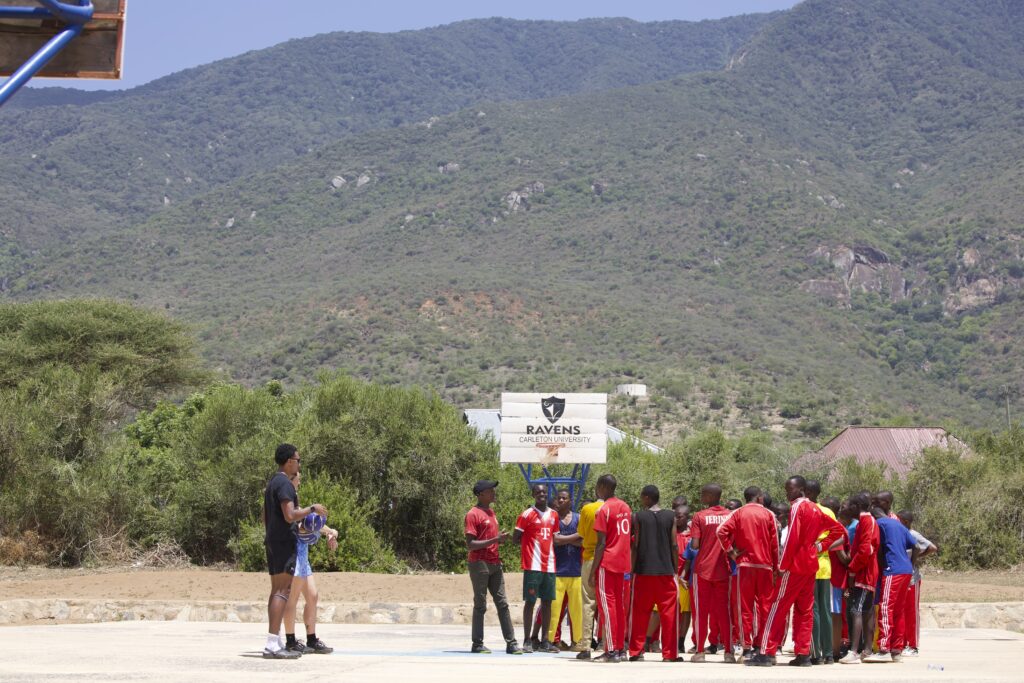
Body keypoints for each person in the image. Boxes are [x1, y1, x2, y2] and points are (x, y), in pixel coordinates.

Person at [746, 475, 845, 668]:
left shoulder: (798, 507)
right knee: (804, 610)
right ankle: (803, 654)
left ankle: (766, 652)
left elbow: (792, 538)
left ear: (800, 489)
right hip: (810, 566)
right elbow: (838, 530)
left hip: (795, 566)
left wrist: (782, 566)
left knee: (777, 607)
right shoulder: (815, 508)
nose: (786, 492)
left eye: (789, 489)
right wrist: (818, 547)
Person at [261, 443, 326, 659]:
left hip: (273, 541)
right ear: (289, 461)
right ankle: (272, 643)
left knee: (276, 591)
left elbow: (266, 517)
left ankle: (274, 640)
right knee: (282, 591)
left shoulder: (272, 483)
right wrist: (312, 509)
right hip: (283, 543)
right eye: (298, 460)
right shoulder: (285, 484)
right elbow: (290, 515)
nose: (298, 464)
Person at [716, 485, 779, 661]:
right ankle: (764, 646)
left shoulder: (738, 513)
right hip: (765, 566)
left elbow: (721, 531)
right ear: (759, 498)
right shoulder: (769, 515)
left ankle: (746, 649)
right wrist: (775, 567)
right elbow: (775, 544)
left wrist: (731, 552)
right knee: (765, 607)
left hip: (744, 565)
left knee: (745, 608)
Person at [282, 472, 338, 655]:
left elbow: (311, 523)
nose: (299, 480)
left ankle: (311, 639)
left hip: (303, 556)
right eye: (297, 478)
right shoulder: (287, 503)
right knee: (292, 598)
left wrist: (331, 532)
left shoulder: (295, 503)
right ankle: (290, 640)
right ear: (291, 481)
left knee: (312, 596)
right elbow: (300, 523)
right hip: (294, 556)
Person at [465, 479, 522, 654]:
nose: (493, 493)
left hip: (494, 562)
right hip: (479, 563)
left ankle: (511, 643)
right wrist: (495, 539)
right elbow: (470, 544)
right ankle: (477, 644)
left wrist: (499, 540)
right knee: (480, 604)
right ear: (481, 494)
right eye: (490, 490)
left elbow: (490, 539)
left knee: (502, 603)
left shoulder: (491, 512)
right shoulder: (472, 514)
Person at [628, 485, 681, 662]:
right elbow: (674, 545)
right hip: (665, 572)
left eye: (642, 497)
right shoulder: (671, 516)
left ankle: (636, 652)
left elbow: (636, 545)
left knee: (639, 613)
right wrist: (675, 569)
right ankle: (670, 654)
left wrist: (632, 568)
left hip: (643, 571)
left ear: (647, 498)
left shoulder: (638, 516)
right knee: (669, 615)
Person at [862, 506, 919, 663]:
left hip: (892, 570)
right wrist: (910, 565)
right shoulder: (898, 524)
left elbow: (878, 549)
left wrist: (881, 567)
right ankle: (896, 649)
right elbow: (917, 546)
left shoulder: (880, 524)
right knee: (898, 611)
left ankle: (883, 649)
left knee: (886, 608)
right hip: (906, 571)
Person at [588, 474, 632, 663]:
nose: (597, 489)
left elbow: (601, 544)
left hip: (608, 562)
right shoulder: (625, 506)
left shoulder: (604, 510)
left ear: (603, 486)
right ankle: (621, 649)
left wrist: (592, 572)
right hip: (622, 562)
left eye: (598, 486)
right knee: (619, 608)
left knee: (607, 607)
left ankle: (611, 650)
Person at [689, 483, 733, 662]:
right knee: (724, 611)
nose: (701, 497)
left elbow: (695, 545)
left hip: (703, 570)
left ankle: (699, 651)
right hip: (724, 569)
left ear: (709, 495)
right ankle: (729, 652)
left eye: (703, 494)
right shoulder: (729, 515)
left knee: (701, 611)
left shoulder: (700, 516)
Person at [514, 483, 561, 654]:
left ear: (547, 493)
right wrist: (530, 548)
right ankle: (527, 640)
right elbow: (515, 537)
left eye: (544, 491)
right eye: (538, 492)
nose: (541, 494)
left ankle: (545, 641)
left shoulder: (554, 515)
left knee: (547, 603)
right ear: (533, 494)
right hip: (532, 565)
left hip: (549, 565)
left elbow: (555, 538)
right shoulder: (527, 514)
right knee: (530, 602)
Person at [840, 493, 879, 665]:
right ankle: (867, 650)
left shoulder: (867, 521)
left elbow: (865, 550)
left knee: (856, 609)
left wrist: (852, 569)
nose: (846, 509)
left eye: (849, 505)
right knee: (867, 611)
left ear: (856, 507)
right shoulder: (866, 521)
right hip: (865, 571)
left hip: (864, 573)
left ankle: (854, 651)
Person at [806, 479, 840, 664]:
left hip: (809, 566)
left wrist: (814, 548)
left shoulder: (806, 511)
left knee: (813, 610)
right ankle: (828, 654)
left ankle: (815, 654)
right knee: (825, 610)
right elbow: (839, 537)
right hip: (825, 566)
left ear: (809, 494)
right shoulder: (828, 512)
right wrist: (823, 547)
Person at [897, 510, 938, 656]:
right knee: (901, 611)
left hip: (912, 579)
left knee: (912, 612)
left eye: (899, 520)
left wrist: (916, 557)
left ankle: (913, 646)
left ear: (906, 522)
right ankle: (902, 643)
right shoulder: (900, 533)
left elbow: (932, 547)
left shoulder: (913, 534)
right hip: (902, 577)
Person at [549, 489, 584, 650]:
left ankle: (577, 641)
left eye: (565, 498)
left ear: (570, 501)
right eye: (559, 498)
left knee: (577, 611)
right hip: (557, 571)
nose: (562, 500)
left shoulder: (578, 518)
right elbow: (554, 540)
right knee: (554, 610)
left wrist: (563, 539)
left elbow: (583, 540)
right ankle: (552, 641)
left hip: (576, 571)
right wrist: (574, 537)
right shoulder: (553, 518)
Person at [575, 490, 606, 660]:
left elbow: (582, 534)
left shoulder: (587, 509)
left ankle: (586, 645)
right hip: (609, 560)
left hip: (589, 558)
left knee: (588, 603)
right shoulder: (615, 508)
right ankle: (609, 645)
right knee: (608, 604)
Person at [824, 495, 851, 662]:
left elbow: (843, 557)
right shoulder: (834, 528)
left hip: (835, 578)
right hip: (830, 576)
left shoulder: (836, 529)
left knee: (834, 614)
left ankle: (833, 650)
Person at [673, 501, 693, 653]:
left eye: (679, 516)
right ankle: (650, 640)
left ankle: (680, 641)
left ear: (687, 517)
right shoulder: (670, 532)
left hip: (685, 578)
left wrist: (684, 576)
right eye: (675, 516)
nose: (676, 519)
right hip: (669, 575)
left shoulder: (693, 534)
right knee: (659, 610)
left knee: (685, 611)